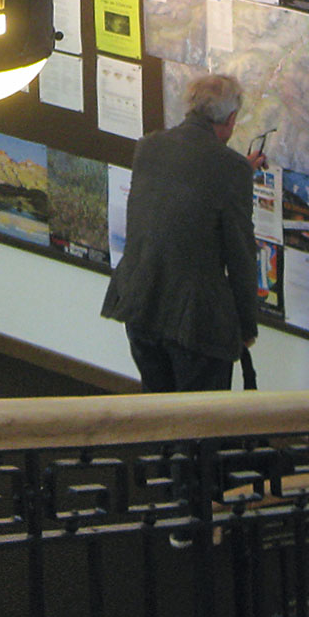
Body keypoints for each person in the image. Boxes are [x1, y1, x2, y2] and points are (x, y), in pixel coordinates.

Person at [100, 73, 259, 392]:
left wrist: (239, 170)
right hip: (195, 322)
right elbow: (240, 256)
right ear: (230, 119)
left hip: (141, 305)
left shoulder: (149, 146)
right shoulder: (231, 169)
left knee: (159, 411)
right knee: (202, 423)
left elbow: (182, 189)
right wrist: (246, 327)